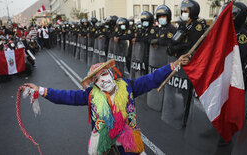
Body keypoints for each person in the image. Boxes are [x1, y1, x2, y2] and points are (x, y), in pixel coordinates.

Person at [23, 56, 189, 155]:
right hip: (105, 145)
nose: (102, 79)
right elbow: (67, 97)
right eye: (96, 78)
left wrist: (173, 66)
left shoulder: (128, 86)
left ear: (111, 74)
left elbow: (151, 79)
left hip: (129, 142)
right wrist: (42, 90)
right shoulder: (91, 96)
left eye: (103, 74)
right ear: (94, 83)